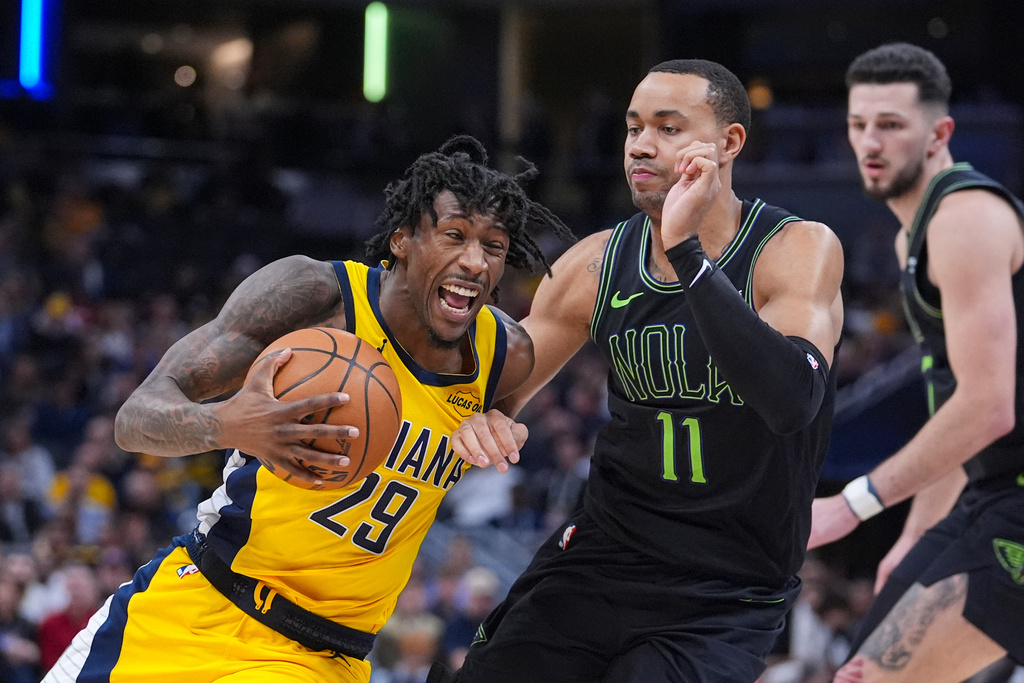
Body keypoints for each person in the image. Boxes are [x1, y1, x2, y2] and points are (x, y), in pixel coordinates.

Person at [40, 135, 573, 683]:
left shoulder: (504, 356)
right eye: (455, 236)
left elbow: (566, 316)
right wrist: (229, 424)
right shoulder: (316, 297)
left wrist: (497, 418)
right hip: (189, 607)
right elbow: (135, 419)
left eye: (494, 246)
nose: (474, 261)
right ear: (402, 241)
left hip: (317, 659)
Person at [440, 59, 845, 682]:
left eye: (669, 127)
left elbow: (792, 401)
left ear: (729, 143)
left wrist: (687, 254)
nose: (642, 146)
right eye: (633, 128)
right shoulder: (593, 264)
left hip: (725, 589)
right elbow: (492, 391)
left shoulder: (794, 249)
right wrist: (479, 420)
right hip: (602, 557)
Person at [808, 42, 1024, 682]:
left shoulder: (965, 220)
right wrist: (916, 536)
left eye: (891, 125)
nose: (870, 141)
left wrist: (856, 504)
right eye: (858, 124)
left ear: (940, 134)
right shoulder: (915, 235)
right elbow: (953, 408)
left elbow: (989, 407)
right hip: (987, 494)